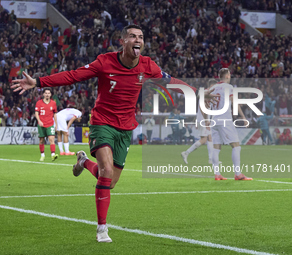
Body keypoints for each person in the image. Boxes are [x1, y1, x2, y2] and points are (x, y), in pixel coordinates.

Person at [11, 24, 217, 243]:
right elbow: (73, 76)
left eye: (140, 36)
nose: (137, 40)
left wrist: (198, 93)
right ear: (123, 41)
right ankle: (102, 229)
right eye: (132, 36)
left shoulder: (148, 65)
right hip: (102, 122)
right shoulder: (104, 62)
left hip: (126, 127)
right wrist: (39, 82)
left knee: (109, 181)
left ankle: (83, 161)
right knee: (107, 170)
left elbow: (171, 81)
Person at [210, 68, 252, 181]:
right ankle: (238, 174)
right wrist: (243, 117)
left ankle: (217, 174)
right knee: (236, 146)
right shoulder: (228, 87)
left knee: (216, 148)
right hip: (224, 119)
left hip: (214, 119)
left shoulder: (212, 88)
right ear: (227, 75)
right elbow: (234, 102)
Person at [181, 79, 217, 165]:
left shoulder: (207, 93)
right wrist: (206, 120)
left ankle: (211, 159)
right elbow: (202, 106)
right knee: (204, 140)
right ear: (212, 86)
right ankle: (186, 153)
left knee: (210, 138)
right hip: (203, 119)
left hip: (204, 119)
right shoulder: (205, 93)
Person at [35, 88, 58, 162]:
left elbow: (55, 114)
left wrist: (56, 124)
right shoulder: (39, 103)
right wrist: (39, 121)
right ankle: (42, 155)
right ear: (43, 94)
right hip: (41, 124)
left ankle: (53, 155)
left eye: (49, 93)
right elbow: (36, 113)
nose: (47, 94)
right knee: (41, 140)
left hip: (50, 124)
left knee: (51, 139)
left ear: (50, 94)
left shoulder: (53, 103)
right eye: (46, 93)